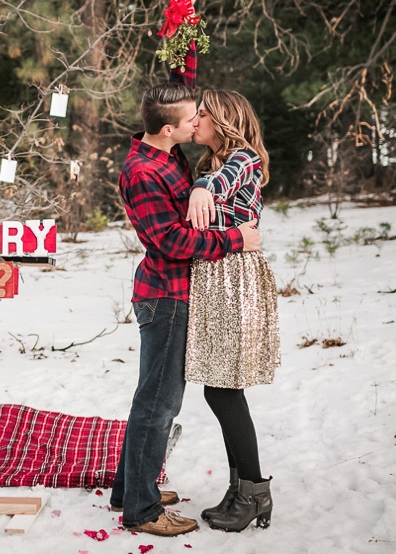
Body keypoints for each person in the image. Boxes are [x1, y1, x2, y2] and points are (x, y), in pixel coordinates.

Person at [109, 47, 262, 535]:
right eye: (193, 117)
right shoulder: (144, 172)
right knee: (158, 403)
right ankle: (142, 510)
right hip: (167, 296)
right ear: (170, 129)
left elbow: (179, 97)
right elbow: (172, 242)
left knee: (151, 398)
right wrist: (237, 238)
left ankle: (129, 490)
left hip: (177, 293)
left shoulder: (166, 147)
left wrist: (185, 42)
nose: (199, 121)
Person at [184, 88, 281, 532]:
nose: (195, 119)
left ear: (223, 120)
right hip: (215, 276)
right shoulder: (211, 163)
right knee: (219, 387)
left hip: (234, 278)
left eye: (202, 113)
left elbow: (222, 183)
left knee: (223, 389)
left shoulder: (242, 159)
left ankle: (255, 491)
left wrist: (203, 187)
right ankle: (241, 486)